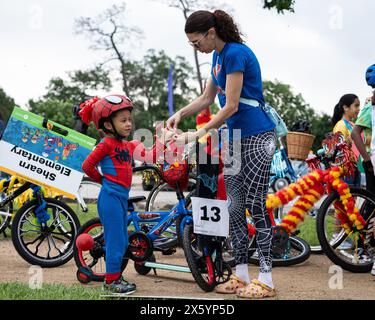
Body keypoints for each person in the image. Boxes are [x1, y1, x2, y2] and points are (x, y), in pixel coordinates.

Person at [167, 10, 277, 299]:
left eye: (196, 41)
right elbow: (206, 99)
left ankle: (266, 279)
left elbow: (230, 107)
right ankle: (241, 275)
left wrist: (198, 133)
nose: (196, 47)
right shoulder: (217, 58)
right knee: (233, 205)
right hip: (235, 138)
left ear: (211, 33)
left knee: (256, 204)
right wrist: (181, 113)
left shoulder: (235, 54)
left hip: (257, 136)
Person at [79, 94, 167, 294]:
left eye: (130, 120)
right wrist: (103, 181)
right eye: (123, 120)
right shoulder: (105, 145)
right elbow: (87, 166)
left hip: (120, 198)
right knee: (116, 240)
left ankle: (115, 276)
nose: (129, 124)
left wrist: (162, 139)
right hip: (109, 198)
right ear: (108, 125)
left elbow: (151, 155)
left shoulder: (127, 145)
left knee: (122, 239)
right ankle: (111, 282)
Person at [331, 94, 361, 186]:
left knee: (353, 199)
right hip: (345, 170)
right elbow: (338, 151)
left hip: (354, 167)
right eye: (356, 106)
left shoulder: (352, 124)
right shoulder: (340, 125)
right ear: (345, 107)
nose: (359, 109)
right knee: (346, 199)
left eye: (359, 106)